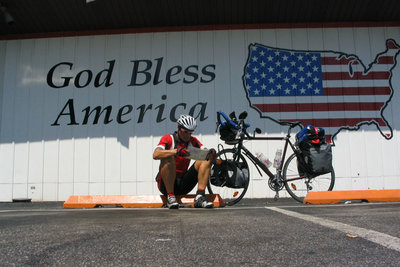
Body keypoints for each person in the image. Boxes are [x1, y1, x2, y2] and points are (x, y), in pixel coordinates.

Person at [153, 114, 216, 209]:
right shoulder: (168, 138)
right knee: (168, 157)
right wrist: (176, 151)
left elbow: (205, 152)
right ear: (178, 128)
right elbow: (156, 154)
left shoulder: (193, 141)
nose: (187, 135)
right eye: (185, 131)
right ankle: (170, 197)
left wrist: (211, 154)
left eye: (190, 132)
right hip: (165, 185)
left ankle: (200, 197)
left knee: (205, 159)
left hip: (183, 184)